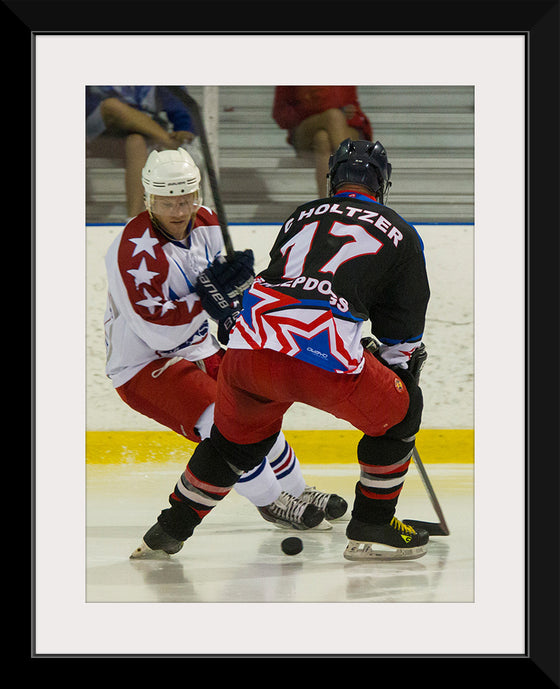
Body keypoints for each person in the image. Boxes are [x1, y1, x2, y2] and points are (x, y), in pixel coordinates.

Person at [131, 139, 432, 563]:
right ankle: (373, 523)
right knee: (403, 414)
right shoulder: (400, 230)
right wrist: (399, 368)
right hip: (323, 361)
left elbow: (290, 280)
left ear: (332, 179)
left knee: (232, 444)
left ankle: (166, 531)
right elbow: (401, 330)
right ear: (381, 183)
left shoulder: (301, 215)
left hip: (249, 351)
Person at [104, 147, 347, 535]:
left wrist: (235, 290)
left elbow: (217, 292)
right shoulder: (133, 250)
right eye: (167, 201)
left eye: (185, 199)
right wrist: (209, 299)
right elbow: (158, 331)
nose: (179, 211)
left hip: (201, 349)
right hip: (146, 364)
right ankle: (271, 502)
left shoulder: (207, 224)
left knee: (260, 413)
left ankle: (298, 490)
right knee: (223, 422)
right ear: (149, 198)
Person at [87, 86, 197, 218]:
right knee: (112, 106)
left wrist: (184, 127)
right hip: (99, 134)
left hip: (140, 132)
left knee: (136, 142)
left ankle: (133, 220)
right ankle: (172, 143)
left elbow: (178, 100)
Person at [272, 86, 373, 198]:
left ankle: (328, 205)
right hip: (305, 129)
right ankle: (353, 191)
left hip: (342, 128)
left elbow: (353, 107)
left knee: (322, 139)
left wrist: (348, 112)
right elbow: (280, 114)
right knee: (333, 116)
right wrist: (312, 109)